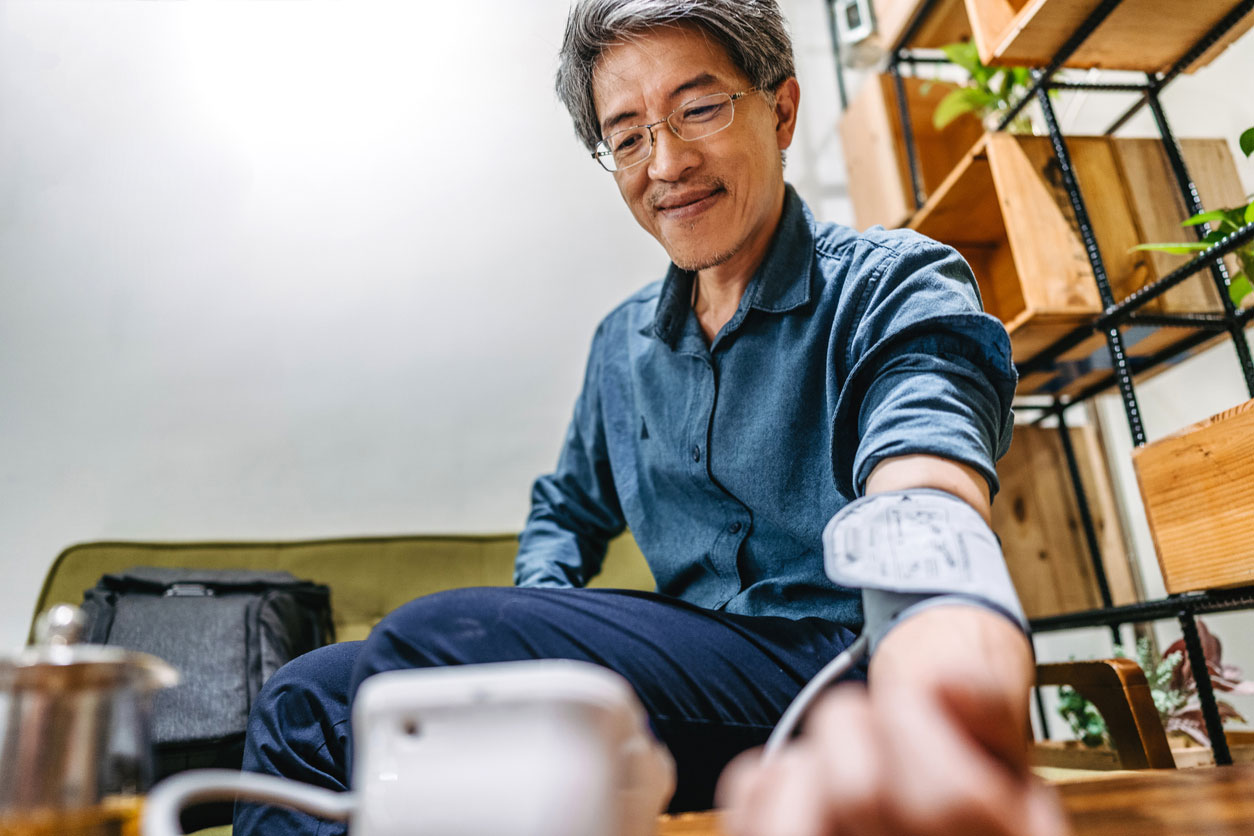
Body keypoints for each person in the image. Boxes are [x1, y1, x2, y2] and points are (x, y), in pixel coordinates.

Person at [236, 2, 1068, 835]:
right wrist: (539, 632)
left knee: (435, 638)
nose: (666, 163)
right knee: (308, 699)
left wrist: (943, 710)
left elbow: (923, 503)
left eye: (698, 108)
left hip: (847, 665)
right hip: (704, 678)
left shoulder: (893, 286)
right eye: (628, 135)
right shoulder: (621, 345)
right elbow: (566, 509)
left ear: (781, 111)